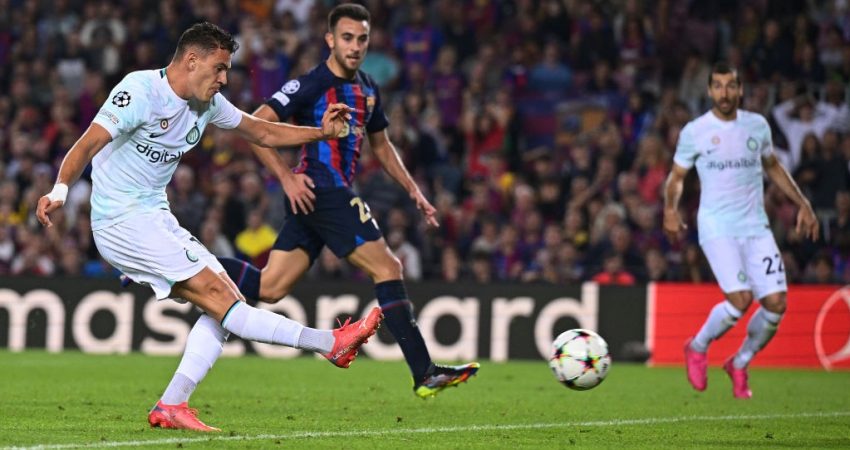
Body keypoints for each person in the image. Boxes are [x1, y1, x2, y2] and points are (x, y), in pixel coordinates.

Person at [36, 22, 382, 432]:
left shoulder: (207, 104)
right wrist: (60, 190)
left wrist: (321, 132)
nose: (224, 79)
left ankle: (172, 404)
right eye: (219, 68)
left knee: (227, 302)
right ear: (191, 60)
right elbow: (88, 143)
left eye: (227, 70)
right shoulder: (140, 91)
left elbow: (262, 131)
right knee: (221, 298)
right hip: (120, 219)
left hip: (155, 215)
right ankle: (329, 343)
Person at [212, 4, 479, 398]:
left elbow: (381, 145)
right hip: (324, 189)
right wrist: (286, 177)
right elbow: (256, 125)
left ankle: (180, 265)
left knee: (270, 287)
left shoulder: (368, 87)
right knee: (388, 267)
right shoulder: (312, 83)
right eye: (347, 38)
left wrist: (414, 190)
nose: (355, 46)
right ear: (330, 40)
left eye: (362, 39)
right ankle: (424, 373)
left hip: (317, 198)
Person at [663, 62, 819, 399]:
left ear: (740, 89)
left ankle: (739, 362)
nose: (724, 93)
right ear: (709, 91)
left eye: (731, 85)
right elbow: (676, 177)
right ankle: (697, 346)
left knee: (776, 303)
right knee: (740, 299)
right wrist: (670, 209)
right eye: (718, 86)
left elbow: (773, 167)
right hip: (717, 226)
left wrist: (803, 203)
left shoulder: (757, 125)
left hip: (756, 226)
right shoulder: (696, 131)